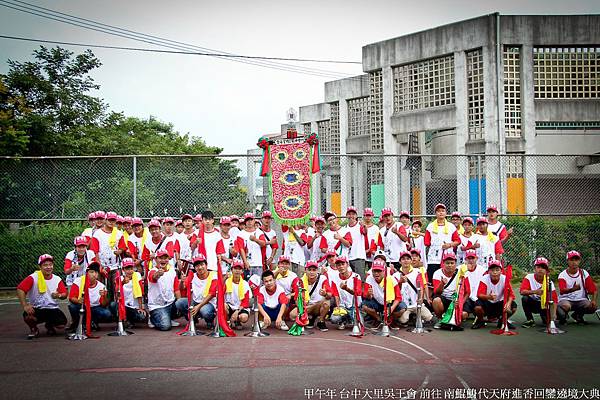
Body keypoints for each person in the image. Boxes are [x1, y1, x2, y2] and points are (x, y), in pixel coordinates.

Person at [17, 254, 68, 338]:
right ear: (40, 267)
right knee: (28, 317)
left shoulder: (57, 279)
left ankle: (49, 325)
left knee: (61, 325)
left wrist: (59, 295)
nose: (48, 267)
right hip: (37, 308)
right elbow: (20, 289)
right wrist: (25, 305)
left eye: (50, 264)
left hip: (52, 308)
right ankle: (34, 329)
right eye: (45, 265)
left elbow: (65, 294)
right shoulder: (33, 277)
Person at [146, 250, 187, 331]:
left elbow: (176, 289)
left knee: (183, 303)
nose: (163, 260)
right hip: (157, 306)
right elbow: (153, 277)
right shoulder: (152, 271)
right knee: (165, 326)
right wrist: (158, 274)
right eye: (160, 258)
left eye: (165, 258)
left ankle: (169, 317)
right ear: (156, 259)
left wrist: (179, 304)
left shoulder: (172, 271)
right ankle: (153, 319)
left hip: (170, 304)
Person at [68, 261, 113, 331]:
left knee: (107, 313)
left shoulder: (101, 286)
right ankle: (79, 324)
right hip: (83, 306)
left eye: (96, 272)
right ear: (87, 273)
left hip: (94, 308)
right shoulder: (78, 281)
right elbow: (71, 297)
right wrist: (78, 300)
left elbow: (104, 304)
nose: (94, 274)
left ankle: (93, 322)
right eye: (91, 272)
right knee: (72, 306)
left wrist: (103, 296)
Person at [473, 260, 517, 329]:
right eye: (492, 270)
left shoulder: (505, 279)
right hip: (487, 303)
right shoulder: (484, 279)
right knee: (477, 307)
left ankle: (502, 321)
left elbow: (511, 295)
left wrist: (508, 303)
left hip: (500, 303)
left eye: (497, 270)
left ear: (501, 271)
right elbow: (479, 295)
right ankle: (480, 321)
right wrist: (488, 297)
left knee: (513, 307)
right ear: (488, 271)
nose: (495, 272)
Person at [557, 250, 598, 325]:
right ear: (567, 261)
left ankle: (577, 315)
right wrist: (573, 289)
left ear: (579, 261)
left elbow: (594, 289)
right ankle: (563, 316)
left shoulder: (584, 273)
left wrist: (594, 300)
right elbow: (562, 291)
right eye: (571, 260)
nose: (574, 262)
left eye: (576, 260)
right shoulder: (562, 275)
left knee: (592, 307)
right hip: (566, 299)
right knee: (565, 306)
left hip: (581, 300)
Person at [363, 258, 405, 329]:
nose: (376, 273)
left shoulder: (391, 279)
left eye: (379, 271)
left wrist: (391, 309)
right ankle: (379, 319)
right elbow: (365, 296)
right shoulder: (369, 278)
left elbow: (398, 297)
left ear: (384, 271)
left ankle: (390, 319)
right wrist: (368, 294)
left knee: (402, 308)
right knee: (364, 305)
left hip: (389, 303)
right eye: (374, 271)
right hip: (377, 302)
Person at [424, 203, 460, 286]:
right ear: (435, 213)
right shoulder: (430, 226)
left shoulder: (451, 226)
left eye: (443, 211)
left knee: (447, 278)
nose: (441, 213)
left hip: (447, 257)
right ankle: (431, 298)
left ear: (446, 213)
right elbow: (426, 242)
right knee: (432, 279)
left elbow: (457, 241)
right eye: (438, 211)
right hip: (434, 258)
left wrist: (449, 245)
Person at [290, 260, 331, 331]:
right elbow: (297, 298)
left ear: (317, 270)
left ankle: (321, 321)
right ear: (305, 270)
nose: (311, 272)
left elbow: (330, 295)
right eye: (309, 270)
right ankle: (309, 318)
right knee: (292, 315)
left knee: (326, 302)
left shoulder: (323, 278)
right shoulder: (300, 281)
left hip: (318, 306)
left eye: (314, 270)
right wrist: (302, 309)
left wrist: (325, 294)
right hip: (306, 306)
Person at [395, 252, 432, 326]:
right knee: (403, 320)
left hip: (416, 304)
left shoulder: (417, 272)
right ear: (400, 261)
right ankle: (410, 316)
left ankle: (414, 316)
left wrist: (421, 298)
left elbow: (421, 286)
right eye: (403, 259)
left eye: (408, 259)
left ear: (411, 261)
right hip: (404, 305)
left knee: (428, 317)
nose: (406, 261)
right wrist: (400, 282)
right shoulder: (395, 275)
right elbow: (396, 291)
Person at [520, 257, 559, 328]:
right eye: (538, 267)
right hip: (533, 304)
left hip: (544, 305)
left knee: (554, 319)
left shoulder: (549, 282)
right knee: (524, 298)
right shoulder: (529, 277)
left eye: (543, 267)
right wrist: (535, 291)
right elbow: (522, 292)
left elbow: (554, 300)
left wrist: (554, 314)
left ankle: (545, 316)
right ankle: (530, 320)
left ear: (547, 271)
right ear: (534, 269)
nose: (540, 269)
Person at [432, 253, 469, 323]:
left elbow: (467, 292)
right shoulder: (437, 273)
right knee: (436, 301)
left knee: (464, 315)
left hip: (457, 300)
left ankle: (452, 317)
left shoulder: (462, 273)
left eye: (452, 263)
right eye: (447, 263)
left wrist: (460, 302)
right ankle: (440, 319)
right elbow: (436, 292)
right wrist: (442, 284)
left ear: (455, 264)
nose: (450, 265)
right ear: (443, 264)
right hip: (444, 299)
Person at [185, 254, 218, 330]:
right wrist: (182, 281)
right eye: (197, 266)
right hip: (195, 301)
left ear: (206, 265)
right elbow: (183, 287)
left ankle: (209, 321)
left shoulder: (214, 276)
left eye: (202, 264)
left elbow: (211, 294)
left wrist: (198, 307)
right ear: (194, 267)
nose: (200, 267)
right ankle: (193, 320)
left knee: (205, 311)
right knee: (180, 303)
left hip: (209, 303)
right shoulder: (192, 276)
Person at [111, 257, 146, 327]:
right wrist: (122, 283)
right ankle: (123, 320)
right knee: (113, 305)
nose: (130, 271)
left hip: (134, 307)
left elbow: (140, 293)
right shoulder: (119, 279)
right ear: (123, 270)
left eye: (131, 268)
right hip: (124, 306)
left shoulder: (137, 276)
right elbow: (116, 295)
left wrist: (140, 307)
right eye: (127, 269)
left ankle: (129, 321)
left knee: (142, 316)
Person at [329, 256, 362, 330]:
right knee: (334, 318)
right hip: (343, 306)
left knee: (359, 326)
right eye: (338, 265)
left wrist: (346, 289)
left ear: (347, 264)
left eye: (343, 264)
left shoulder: (356, 276)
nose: (341, 267)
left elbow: (358, 293)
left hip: (355, 306)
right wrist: (338, 307)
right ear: (336, 267)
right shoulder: (334, 278)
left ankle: (350, 318)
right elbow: (336, 294)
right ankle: (343, 320)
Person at [236, 213, 267, 278]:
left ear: (254, 221)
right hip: (247, 263)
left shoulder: (259, 232)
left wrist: (255, 239)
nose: (249, 222)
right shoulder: (241, 234)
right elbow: (241, 249)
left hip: (257, 263)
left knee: (257, 284)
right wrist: (245, 262)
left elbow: (263, 244)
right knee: (246, 284)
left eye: (251, 220)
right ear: (245, 222)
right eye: (247, 220)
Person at [225, 259, 251, 329]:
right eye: (235, 268)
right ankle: (227, 322)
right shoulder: (227, 282)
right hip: (229, 306)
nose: (237, 271)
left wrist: (237, 311)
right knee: (223, 306)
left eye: (239, 269)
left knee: (244, 317)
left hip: (240, 308)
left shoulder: (245, 284)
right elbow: (220, 294)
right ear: (231, 270)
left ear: (242, 271)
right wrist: (224, 278)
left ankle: (237, 321)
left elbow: (246, 302)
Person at [461, 250, 486, 320]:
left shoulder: (483, 270)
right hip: (466, 297)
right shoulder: (460, 269)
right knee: (463, 315)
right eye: (469, 258)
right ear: (465, 259)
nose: (471, 260)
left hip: (478, 298)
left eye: (473, 258)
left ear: (476, 259)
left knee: (481, 310)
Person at [345, 206, 367, 279]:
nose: (351, 216)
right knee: (349, 279)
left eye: (353, 214)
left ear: (356, 215)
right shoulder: (345, 228)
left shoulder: (360, 226)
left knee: (360, 279)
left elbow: (365, 232)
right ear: (346, 215)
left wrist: (364, 226)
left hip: (358, 256)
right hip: (348, 258)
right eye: (349, 214)